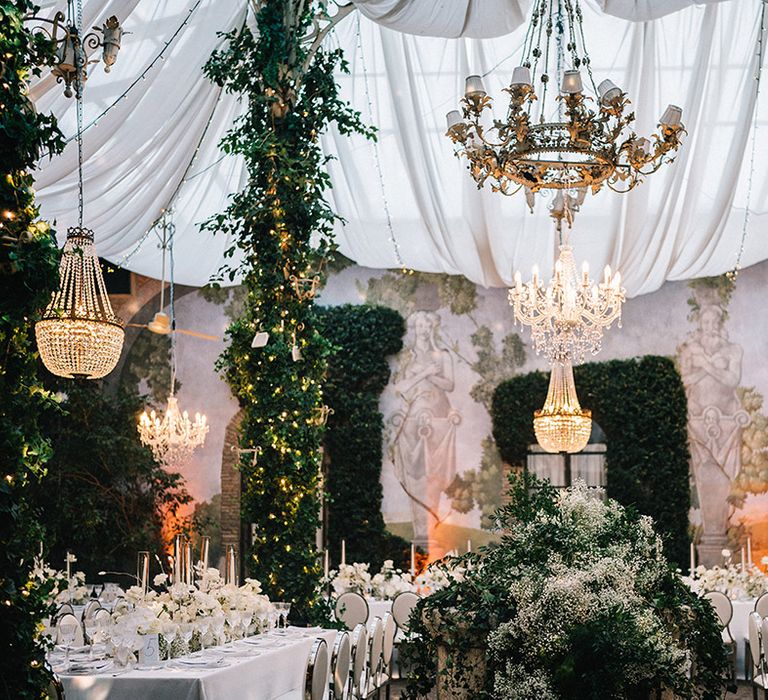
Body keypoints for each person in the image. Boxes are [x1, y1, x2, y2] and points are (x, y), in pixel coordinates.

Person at [389, 311, 461, 552]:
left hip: (438, 417)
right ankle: (420, 534)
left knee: (433, 475)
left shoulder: (443, 356)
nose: (423, 329)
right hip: (411, 419)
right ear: (414, 328)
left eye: (427, 325)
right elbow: (400, 388)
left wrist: (434, 375)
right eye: (419, 325)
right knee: (415, 474)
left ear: (432, 328)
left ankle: (431, 533)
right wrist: (425, 373)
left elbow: (450, 384)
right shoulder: (407, 358)